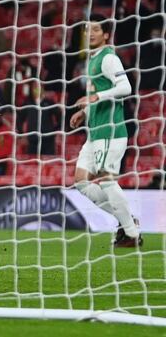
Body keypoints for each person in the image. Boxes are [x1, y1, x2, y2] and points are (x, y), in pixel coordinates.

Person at [70, 14, 141, 248]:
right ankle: (127, 221)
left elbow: (125, 87)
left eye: (96, 29)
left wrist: (96, 96)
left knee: (107, 181)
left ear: (106, 34)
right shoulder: (92, 60)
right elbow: (99, 95)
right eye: (88, 29)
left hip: (111, 130)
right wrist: (86, 112)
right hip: (94, 131)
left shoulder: (109, 58)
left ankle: (131, 234)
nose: (90, 33)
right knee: (81, 182)